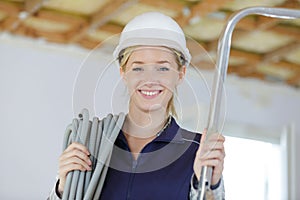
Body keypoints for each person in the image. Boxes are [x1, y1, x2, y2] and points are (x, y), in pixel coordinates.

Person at [49, 12, 225, 200]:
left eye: (163, 68)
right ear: (123, 73)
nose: (150, 80)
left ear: (180, 74)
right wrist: (63, 189)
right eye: (138, 68)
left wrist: (209, 186)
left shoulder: (196, 150)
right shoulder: (92, 141)